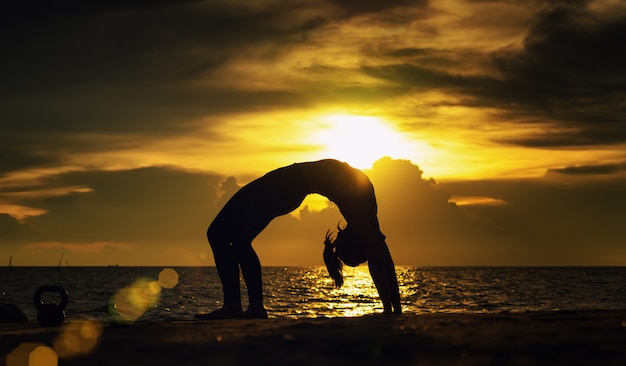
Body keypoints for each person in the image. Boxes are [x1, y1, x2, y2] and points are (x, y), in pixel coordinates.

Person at [194, 159, 401, 320]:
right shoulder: (367, 216)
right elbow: (383, 255)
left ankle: (234, 307)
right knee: (240, 240)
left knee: (217, 233)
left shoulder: (358, 213)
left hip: (286, 185)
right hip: (289, 190)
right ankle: (254, 308)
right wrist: (394, 309)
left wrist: (388, 309)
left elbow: (377, 255)